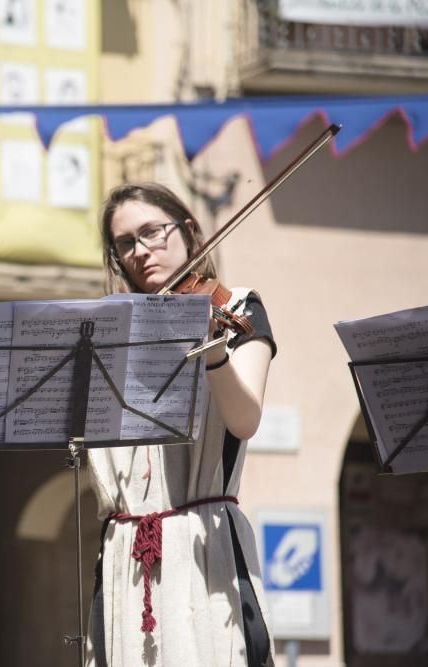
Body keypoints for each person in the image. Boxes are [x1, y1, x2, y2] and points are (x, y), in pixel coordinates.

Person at [87, 183, 276, 667]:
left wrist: (213, 351)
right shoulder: (107, 329)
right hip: (127, 549)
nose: (141, 251)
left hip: (203, 543)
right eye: (125, 243)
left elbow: (245, 418)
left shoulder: (236, 306)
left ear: (189, 232)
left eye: (152, 232)